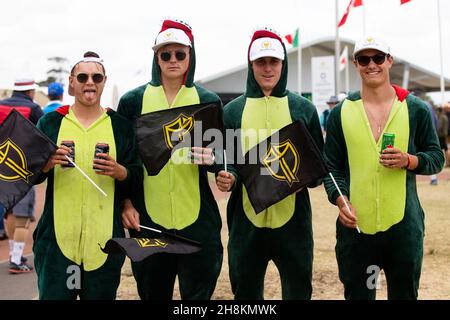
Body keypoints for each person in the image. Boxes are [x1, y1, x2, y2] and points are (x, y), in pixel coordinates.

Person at [323, 36, 445, 300]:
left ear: (389, 60)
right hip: (357, 234)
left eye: (378, 58)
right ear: (356, 64)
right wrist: (340, 200)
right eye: (364, 59)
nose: (372, 65)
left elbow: (436, 157)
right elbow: (332, 168)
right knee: (361, 295)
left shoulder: (415, 109)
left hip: (404, 230)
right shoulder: (340, 113)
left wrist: (410, 160)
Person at [118, 19, 223, 300]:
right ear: (157, 58)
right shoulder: (133, 101)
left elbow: (223, 155)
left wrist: (214, 160)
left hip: (198, 219)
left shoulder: (208, 99)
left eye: (180, 54)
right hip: (148, 218)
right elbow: (125, 159)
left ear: (191, 56)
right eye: (165, 54)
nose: (173, 60)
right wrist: (126, 203)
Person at [215, 28, 324, 300]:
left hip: (294, 220)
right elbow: (226, 160)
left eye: (273, 62)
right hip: (246, 221)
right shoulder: (232, 111)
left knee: (298, 290)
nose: (267, 68)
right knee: (246, 293)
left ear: (282, 64)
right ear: (250, 65)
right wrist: (226, 175)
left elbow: (320, 166)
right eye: (260, 62)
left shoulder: (303, 109)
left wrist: (308, 178)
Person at [33, 51, 141, 299]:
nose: (89, 82)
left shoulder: (120, 126)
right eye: (82, 77)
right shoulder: (51, 123)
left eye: (96, 77)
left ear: (104, 81)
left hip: (103, 243)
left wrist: (120, 171)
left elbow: (136, 176)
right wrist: (47, 164)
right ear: (72, 82)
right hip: (58, 244)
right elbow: (30, 175)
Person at [0, 78, 44, 273]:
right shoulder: (33, 109)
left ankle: (13, 254)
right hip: (22, 169)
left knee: (9, 212)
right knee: (23, 217)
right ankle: (16, 261)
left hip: (2, 169)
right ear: (30, 91)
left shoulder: (0, 106)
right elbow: (43, 136)